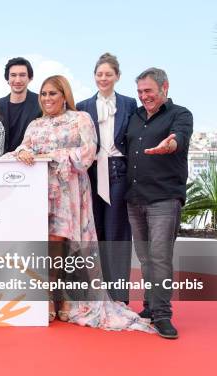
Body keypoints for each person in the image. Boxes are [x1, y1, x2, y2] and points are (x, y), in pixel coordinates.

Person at [5, 75, 152, 333]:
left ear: (64, 95)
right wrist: (24, 153)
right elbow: (21, 149)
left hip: (70, 192)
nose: (47, 98)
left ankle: (62, 298)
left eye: (52, 93)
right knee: (49, 244)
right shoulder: (35, 124)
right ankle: (51, 296)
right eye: (43, 94)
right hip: (39, 192)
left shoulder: (80, 118)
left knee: (61, 242)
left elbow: (88, 153)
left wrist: (50, 156)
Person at [126, 68, 193, 339]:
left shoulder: (181, 114)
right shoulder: (135, 117)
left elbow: (179, 137)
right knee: (145, 259)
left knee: (160, 258)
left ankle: (163, 315)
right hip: (134, 198)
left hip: (164, 199)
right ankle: (149, 306)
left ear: (164, 87)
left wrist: (171, 144)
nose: (144, 97)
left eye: (149, 91)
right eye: (140, 92)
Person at [76, 53, 137, 303]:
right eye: (99, 74)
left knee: (118, 234)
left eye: (108, 74)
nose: (103, 78)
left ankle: (119, 296)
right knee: (93, 233)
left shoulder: (130, 104)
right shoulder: (82, 106)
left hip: (119, 172)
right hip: (91, 173)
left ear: (117, 76)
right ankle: (95, 293)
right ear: (94, 76)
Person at [0, 57, 41, 154]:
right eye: (13, 75)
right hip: (0, 163)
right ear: (7, 78)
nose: (18, 80)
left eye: (22, 75)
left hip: (31, 162)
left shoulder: (41, 103)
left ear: (30, 78)